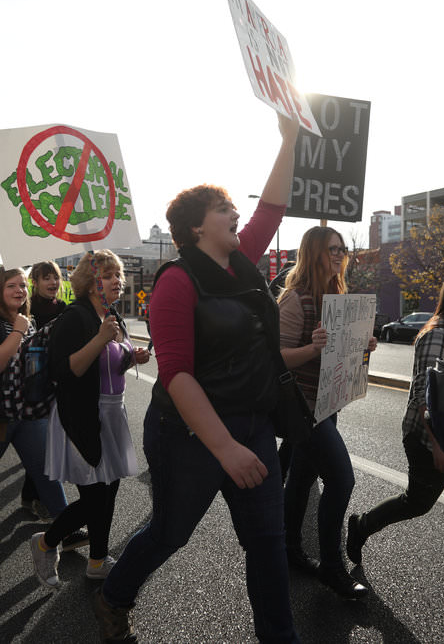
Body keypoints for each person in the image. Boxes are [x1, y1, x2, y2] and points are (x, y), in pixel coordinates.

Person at [93, 113, 301, 644]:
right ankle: (115, 594)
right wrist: (226, 449)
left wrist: (290, 138)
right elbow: (178, 375)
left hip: (252, 424)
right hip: (190, 434)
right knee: (170, 532)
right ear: (195, 229)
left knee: (268, 542)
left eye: (234, 207)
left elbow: (273, 206)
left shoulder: (243, 263)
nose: (237, 213)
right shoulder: (177, 281)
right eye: (223, 208)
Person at [346, 270, 444, 592]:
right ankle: (361, 526)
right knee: (418, 502)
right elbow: (421, 393)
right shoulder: (438, 334)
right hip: (429, 436)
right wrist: (438, 445)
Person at [28, 250, 151, 589]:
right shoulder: (76, 317)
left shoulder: (112, 316)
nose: (118, 281)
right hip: (83, 416)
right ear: (91, 282)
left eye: (119, 275)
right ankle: (45, 542)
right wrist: (99, 339)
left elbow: (112, 364)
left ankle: (97, 560)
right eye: (110, 275)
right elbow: (67, 371)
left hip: (113, 411)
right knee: (95, 497)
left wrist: (131, 356)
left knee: (109, 491)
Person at [277, 226, 374, 599]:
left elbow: (343, 356)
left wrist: (363, 347)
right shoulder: (296, 299)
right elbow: (277, 357)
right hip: (303, 407)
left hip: (328, 402)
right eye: (332, 249)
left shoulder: (339, 297)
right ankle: (333, 568)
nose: (339, 255)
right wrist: (312, 349)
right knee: (341, 480)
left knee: (301, 480)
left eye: (342, 249)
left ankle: (288, 549)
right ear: (313, 252)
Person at [0, 266, 68, 557]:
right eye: (11, 286)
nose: (20, 290)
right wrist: (18, 330)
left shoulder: (27, 322)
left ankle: (65, 526)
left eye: (22, 285)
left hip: (28, 413)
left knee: (46, 470)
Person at [20, 260, 69, 522]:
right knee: (40, 444)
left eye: (56, 278)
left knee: (48, 443)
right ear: (34, 282)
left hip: (57, 380)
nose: (52, 283)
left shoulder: (63, 308)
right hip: (30, 383)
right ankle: (39, 498)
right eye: (46, 278)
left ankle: (31, 496)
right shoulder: (25, 307)